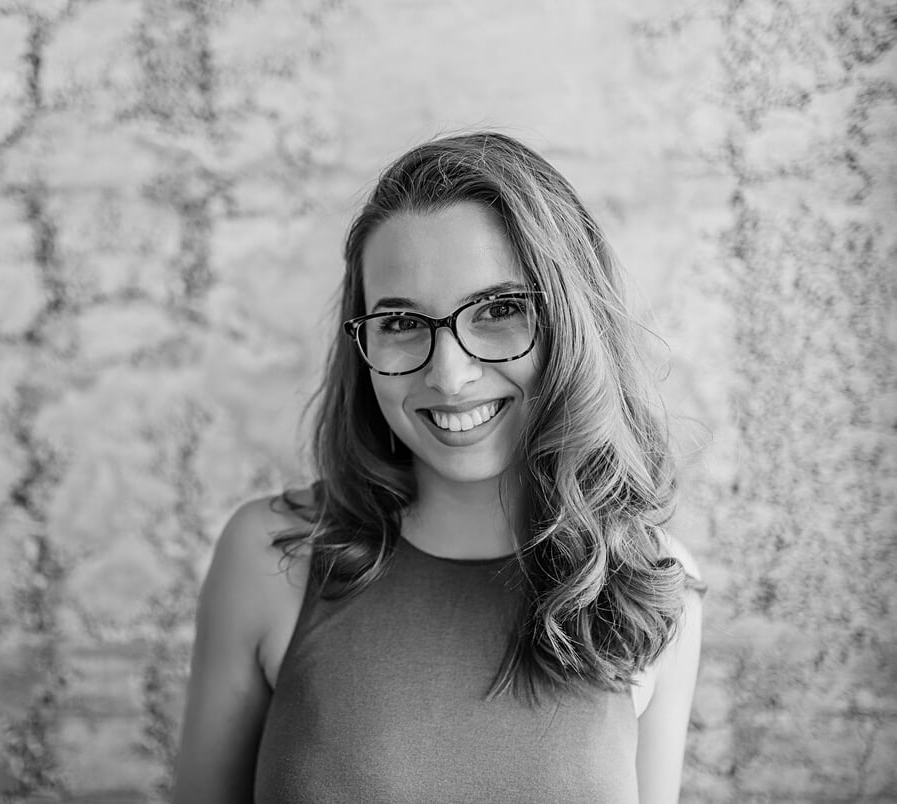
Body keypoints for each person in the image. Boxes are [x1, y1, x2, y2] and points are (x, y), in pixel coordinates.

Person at [173, 131, 704, 804]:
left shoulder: (655, 586)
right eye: (400, 322)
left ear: (573, 321)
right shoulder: (269, 556)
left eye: (501, 310)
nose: (449, 376)